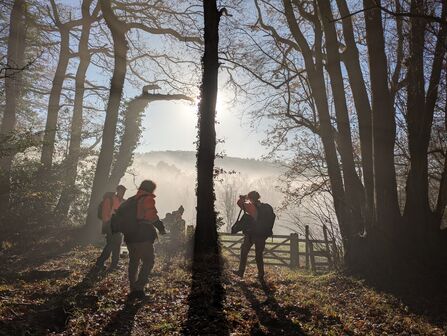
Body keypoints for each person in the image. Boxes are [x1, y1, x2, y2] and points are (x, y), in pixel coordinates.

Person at [125, 180, 166, 299]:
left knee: (134, 262)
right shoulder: (147, 199)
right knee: (148, 261)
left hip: (129, 236)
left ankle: (133, 289)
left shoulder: (131, 200)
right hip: (142, 235)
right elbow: (151, 216)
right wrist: (161, 228)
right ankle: (139, 287)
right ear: (151, 189)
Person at [233, 191, 268, 281]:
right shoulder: (263, 208)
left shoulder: (250, 206)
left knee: (244, 251)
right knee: (259, 255)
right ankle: (261, 275)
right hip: (262, 235)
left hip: (251, 234)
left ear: (251, 198)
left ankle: (241, 271)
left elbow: (239, 203)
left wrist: (244, 198)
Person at [95, 185, 127, 270]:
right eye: (121, 191)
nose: (122, 193)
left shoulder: (123, 201)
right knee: (111, 244)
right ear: (117, 191)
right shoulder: (110, 199)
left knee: (117, 245)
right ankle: (100, 262)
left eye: (124, 192)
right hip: (110, 225)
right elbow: (105, 214)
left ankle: (113, 265)